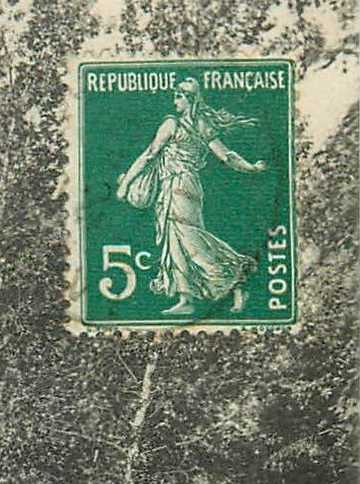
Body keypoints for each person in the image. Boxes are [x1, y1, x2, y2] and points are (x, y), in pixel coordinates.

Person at [114, 77, 267, 316]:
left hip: (177, 185)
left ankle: (235, 276)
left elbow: (149, 154)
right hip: (189, 187)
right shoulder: (203, 125)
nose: (175, 101)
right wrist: (251, 167)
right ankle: (186, 298)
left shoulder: (171, 125)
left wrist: (126, 185)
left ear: (190, 99)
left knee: (186, 237)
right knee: (177, 240)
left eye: (179, 96)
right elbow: (227, 155)